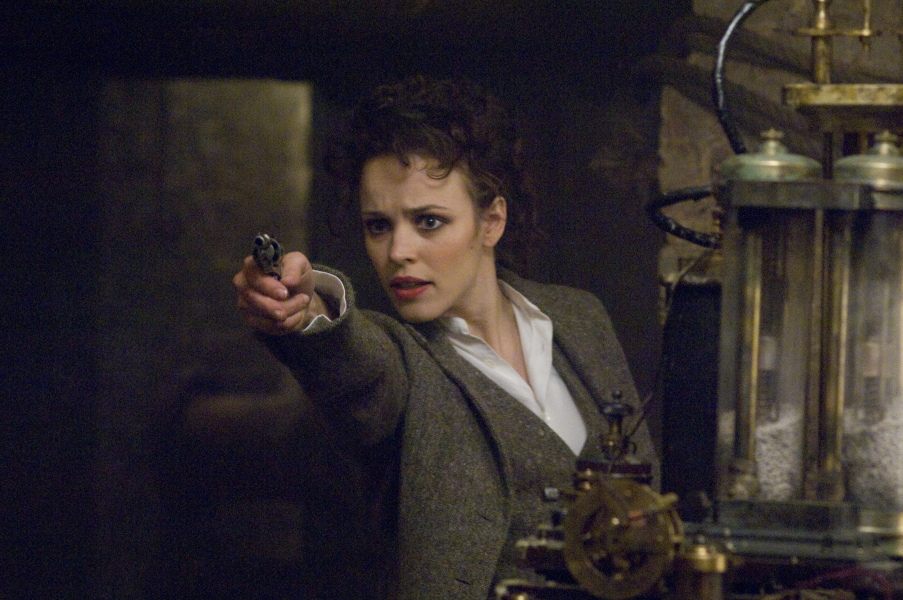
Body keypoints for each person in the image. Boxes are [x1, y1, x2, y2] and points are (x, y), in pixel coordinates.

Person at [233, 75, 658, 600]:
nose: (398, 252)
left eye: (429, 221)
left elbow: (645, 497)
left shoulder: (580, 318)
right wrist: (307, 312)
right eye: (378, 226)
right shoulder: (404, 362)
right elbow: (355, 363)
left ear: (491, 221)